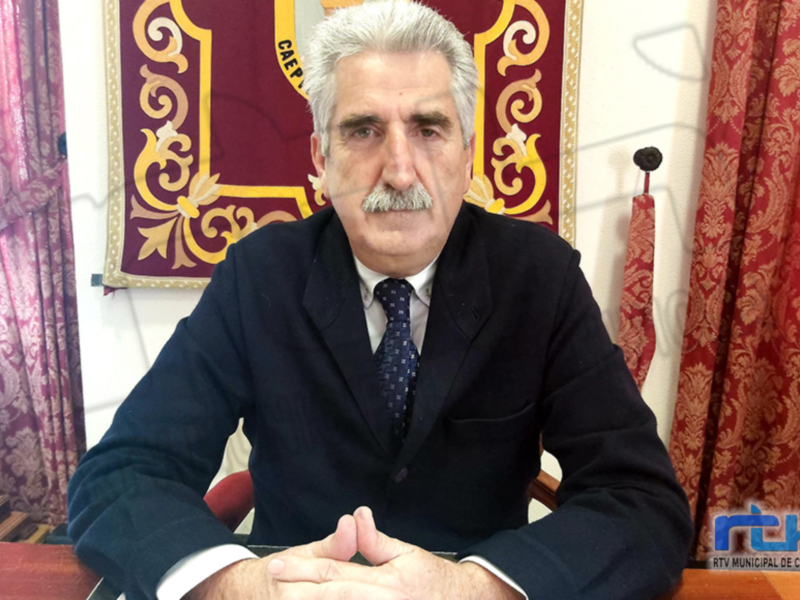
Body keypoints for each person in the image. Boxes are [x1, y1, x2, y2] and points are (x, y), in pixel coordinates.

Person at [67, 2, 693, 599]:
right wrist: (234, 584)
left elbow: (644, 503)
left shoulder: (540, 278)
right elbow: (120, 476)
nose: (399, 170)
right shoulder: (258, 276)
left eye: (429, 129)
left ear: (467, 155)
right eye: (363, 131)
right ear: (322, 158)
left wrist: (474, 588)